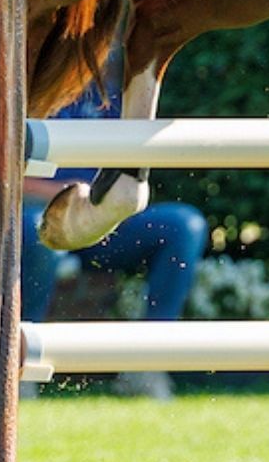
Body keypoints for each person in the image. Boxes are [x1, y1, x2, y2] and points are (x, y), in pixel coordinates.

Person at [20, 92, 207, 399]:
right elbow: (1, 170)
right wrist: (66, 193)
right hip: (42, 215)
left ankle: (148, 363)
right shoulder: (36, 72)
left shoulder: (122, 83)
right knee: (35, 233)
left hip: (103, 220)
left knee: (183, 226)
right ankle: (20, 362)